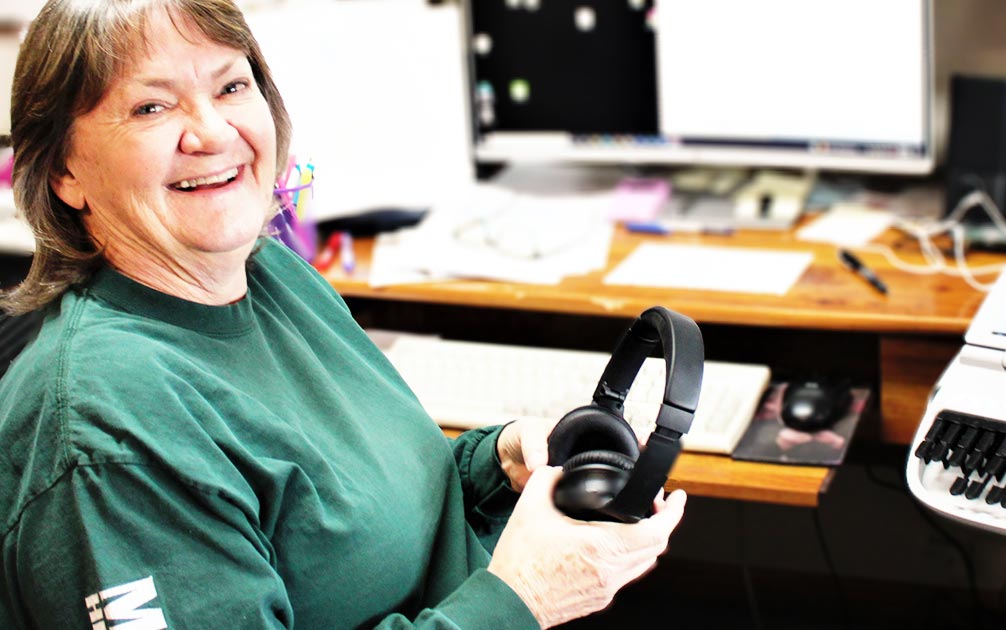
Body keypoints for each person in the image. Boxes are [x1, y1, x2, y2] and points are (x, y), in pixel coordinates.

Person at [0, 0, 687, 628]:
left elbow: (343, 514)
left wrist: (494, 461)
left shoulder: (267, 272)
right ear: (63, 171)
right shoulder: (106, 433)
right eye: (152, 108)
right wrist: (522, 600)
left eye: (231, 87)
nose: (211, 132)